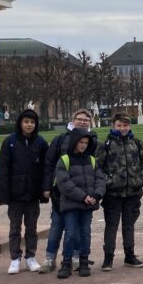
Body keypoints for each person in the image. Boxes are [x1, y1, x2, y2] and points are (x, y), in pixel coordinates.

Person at [40, 109, 98, 273]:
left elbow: (95, 168)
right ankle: (50, 258)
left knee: (80, 228)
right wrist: (46, 187)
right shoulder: (60, 139)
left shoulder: (92, 140)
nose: (83, 121)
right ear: (73, 120)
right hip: (63, 192)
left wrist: (94, 193)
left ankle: (75, 257)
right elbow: (49, 164)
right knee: (57, 226)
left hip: (85, 193)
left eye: (86, 119)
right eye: (80, 119)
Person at [0, 108, 48, 274]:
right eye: (26, 122)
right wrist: (4, 196)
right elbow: (2, 170)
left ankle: (30, 257)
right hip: (16, 194)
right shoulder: (9, 142)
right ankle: (15, 258)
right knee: (15, 228)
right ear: (20, 123)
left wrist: (44, 191)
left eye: (32, 122)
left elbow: (46, 168)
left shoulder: (40, 142)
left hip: (33, 193)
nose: (29, 125)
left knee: (32, 228)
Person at [96, 113, 143, 270]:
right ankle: (108, 258)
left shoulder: (137, 143)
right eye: (119, 125)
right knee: (111, 226)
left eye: (125, 125)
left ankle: (129, 256)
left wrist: (140, 180)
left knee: (129, 225)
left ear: (130, 126)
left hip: (133, 192)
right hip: (112, 194)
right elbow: (97, 167)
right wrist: (109, 182)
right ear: (113, 126)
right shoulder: (105, 145)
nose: (122, 128)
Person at [54, 129, 106, 278]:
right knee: (70, 233)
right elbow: (64, 183)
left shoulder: (91, 160)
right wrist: (83, 196)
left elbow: (100, 179)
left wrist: (96, 195)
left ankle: (84, 262)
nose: (83, 145)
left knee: (85, 233)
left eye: (86, 143)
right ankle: (66, 263)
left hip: (88, 204)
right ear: (74, 142)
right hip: (71, 204)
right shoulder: (64, 160)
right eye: (81, 142)